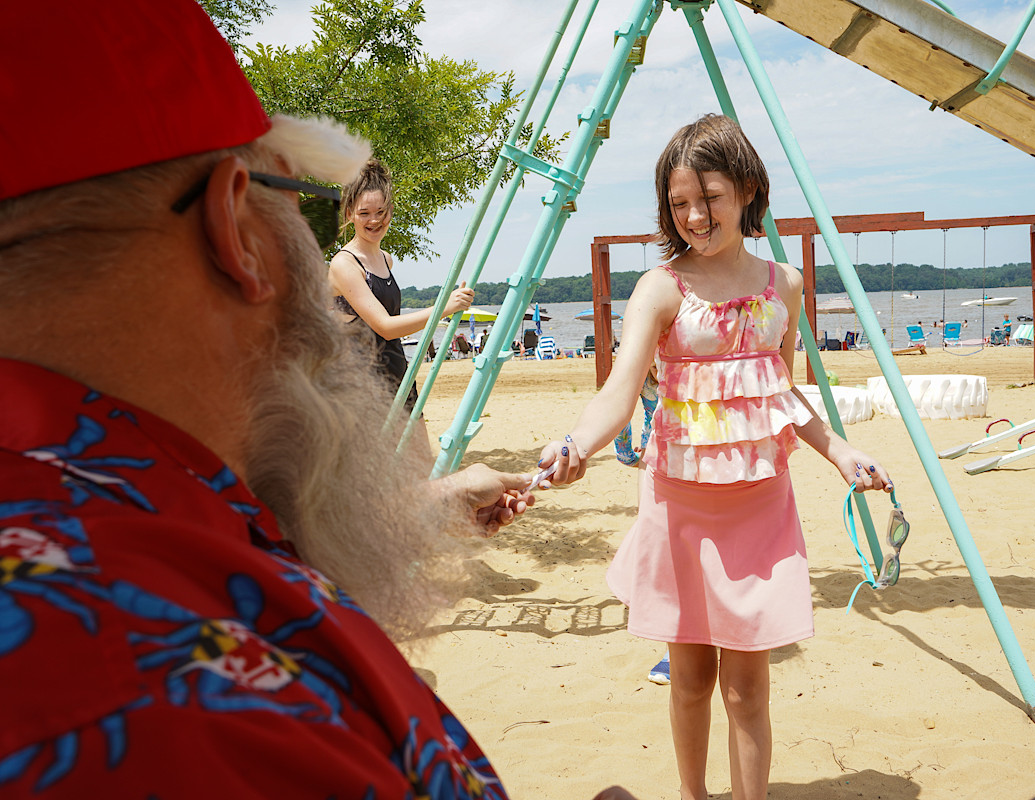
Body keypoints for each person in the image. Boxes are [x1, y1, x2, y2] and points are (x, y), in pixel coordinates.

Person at [0, 3, 633, 798]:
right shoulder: (159, 696)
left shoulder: (85, 494)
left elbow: (210, 548)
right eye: (293, 199)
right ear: (238, 227)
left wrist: (426, 507)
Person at [534, 115, 893, 800]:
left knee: (749, 687)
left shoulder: (784, 284)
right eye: (679, 203)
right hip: (680, 503)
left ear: (749, 190)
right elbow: (617, 392)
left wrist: (841, 452)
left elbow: (779, 393)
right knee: (692, 679)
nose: (696, 216)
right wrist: (578, 444)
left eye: (712, 196)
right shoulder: (662, 288)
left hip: (761, 503)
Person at [330, 159, 474, 411]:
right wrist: (444, 307)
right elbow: (385, 327)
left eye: (381, 212)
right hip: (360, 389)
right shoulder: (344, 264)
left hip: (399, 377)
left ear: (391, 210)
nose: (374, 221)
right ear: (350, 212)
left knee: (420, 453)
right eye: (364, 213)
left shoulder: (386, 260)